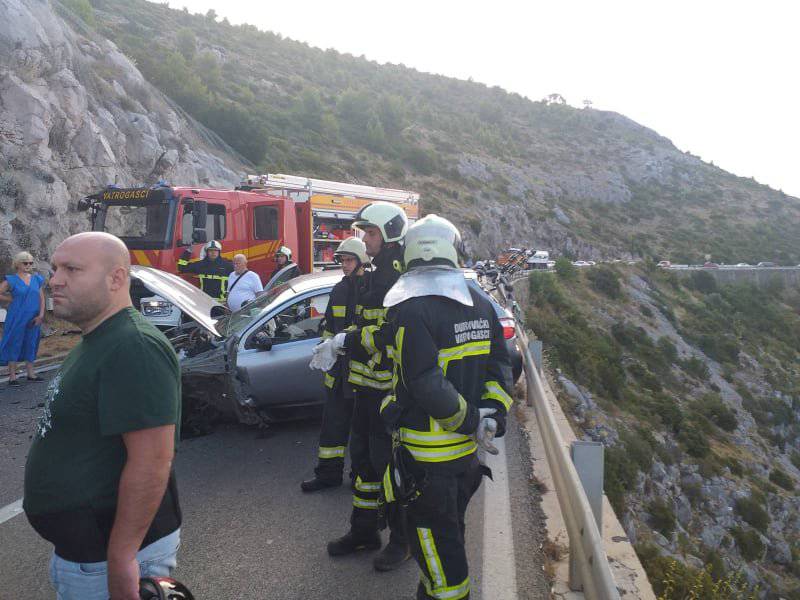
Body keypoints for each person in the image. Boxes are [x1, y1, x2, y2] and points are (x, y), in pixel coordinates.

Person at [24, 232, 183, 600]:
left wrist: (122, 558)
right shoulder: (99, 337)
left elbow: (152, 461)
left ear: (116, 279)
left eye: (72, 269)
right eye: (55, 269)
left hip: (111, 559)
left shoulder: (134, 346)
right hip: (86, 552)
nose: (55, 280)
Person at [379, 215, 514, 600]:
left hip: (427, 461)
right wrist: (491, 415)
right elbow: (500, 366)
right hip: (465, 460)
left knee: (440, 557)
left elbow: (423, 380)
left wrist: (469, 420)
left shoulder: (411, 310)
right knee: (448, 536)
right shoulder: (480, 304)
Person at [314, 201, 411, 572]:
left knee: (392, 469)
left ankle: (401, 541)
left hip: (389, 393)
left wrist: (347, 342)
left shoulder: (397, 276)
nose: (364, 239)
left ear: (388, 235)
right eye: (364, 232)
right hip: (366, 390)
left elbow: (391, 333)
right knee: (365, 465)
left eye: (370, 233)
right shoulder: (377, 271)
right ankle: (364, 531)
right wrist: (340, 340)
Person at [302, 237, 368, 492]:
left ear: (362, 261)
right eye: (342, 260)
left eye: (349, 260)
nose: (344, 265)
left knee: (362, 431)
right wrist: (325, 348)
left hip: (362, 373)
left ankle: (361, 477)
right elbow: (331, 325)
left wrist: (344, 341)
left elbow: (367, 329)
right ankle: (328, 474)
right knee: (332, 428)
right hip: (339, 372)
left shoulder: (371, 289)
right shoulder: (340, 288)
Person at [0, 251, 46, 386]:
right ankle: (13, 376)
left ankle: (31, 374)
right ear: (18, 264)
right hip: (16, 317)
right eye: (25, 263)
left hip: (33, 317)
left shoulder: (37, 279)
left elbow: (41, 298)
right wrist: (10, 299)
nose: (28, 265)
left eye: (30, 263)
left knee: (31, 343)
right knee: (14, 343)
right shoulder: (11, 280)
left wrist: (41, 315)